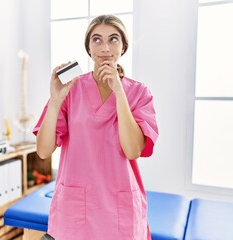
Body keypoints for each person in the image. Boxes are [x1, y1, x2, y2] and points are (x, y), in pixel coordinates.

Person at [33, 14, 159, 240]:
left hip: (120, 211)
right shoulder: (71, 89)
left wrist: (119, 91)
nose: (105, 48)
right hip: (75, 210)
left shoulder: (139, 93)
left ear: (123, 47)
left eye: (113, 39)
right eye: (96, 40)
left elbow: (132, 150)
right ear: (88, 48)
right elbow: (43, 151)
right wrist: (55, 101)